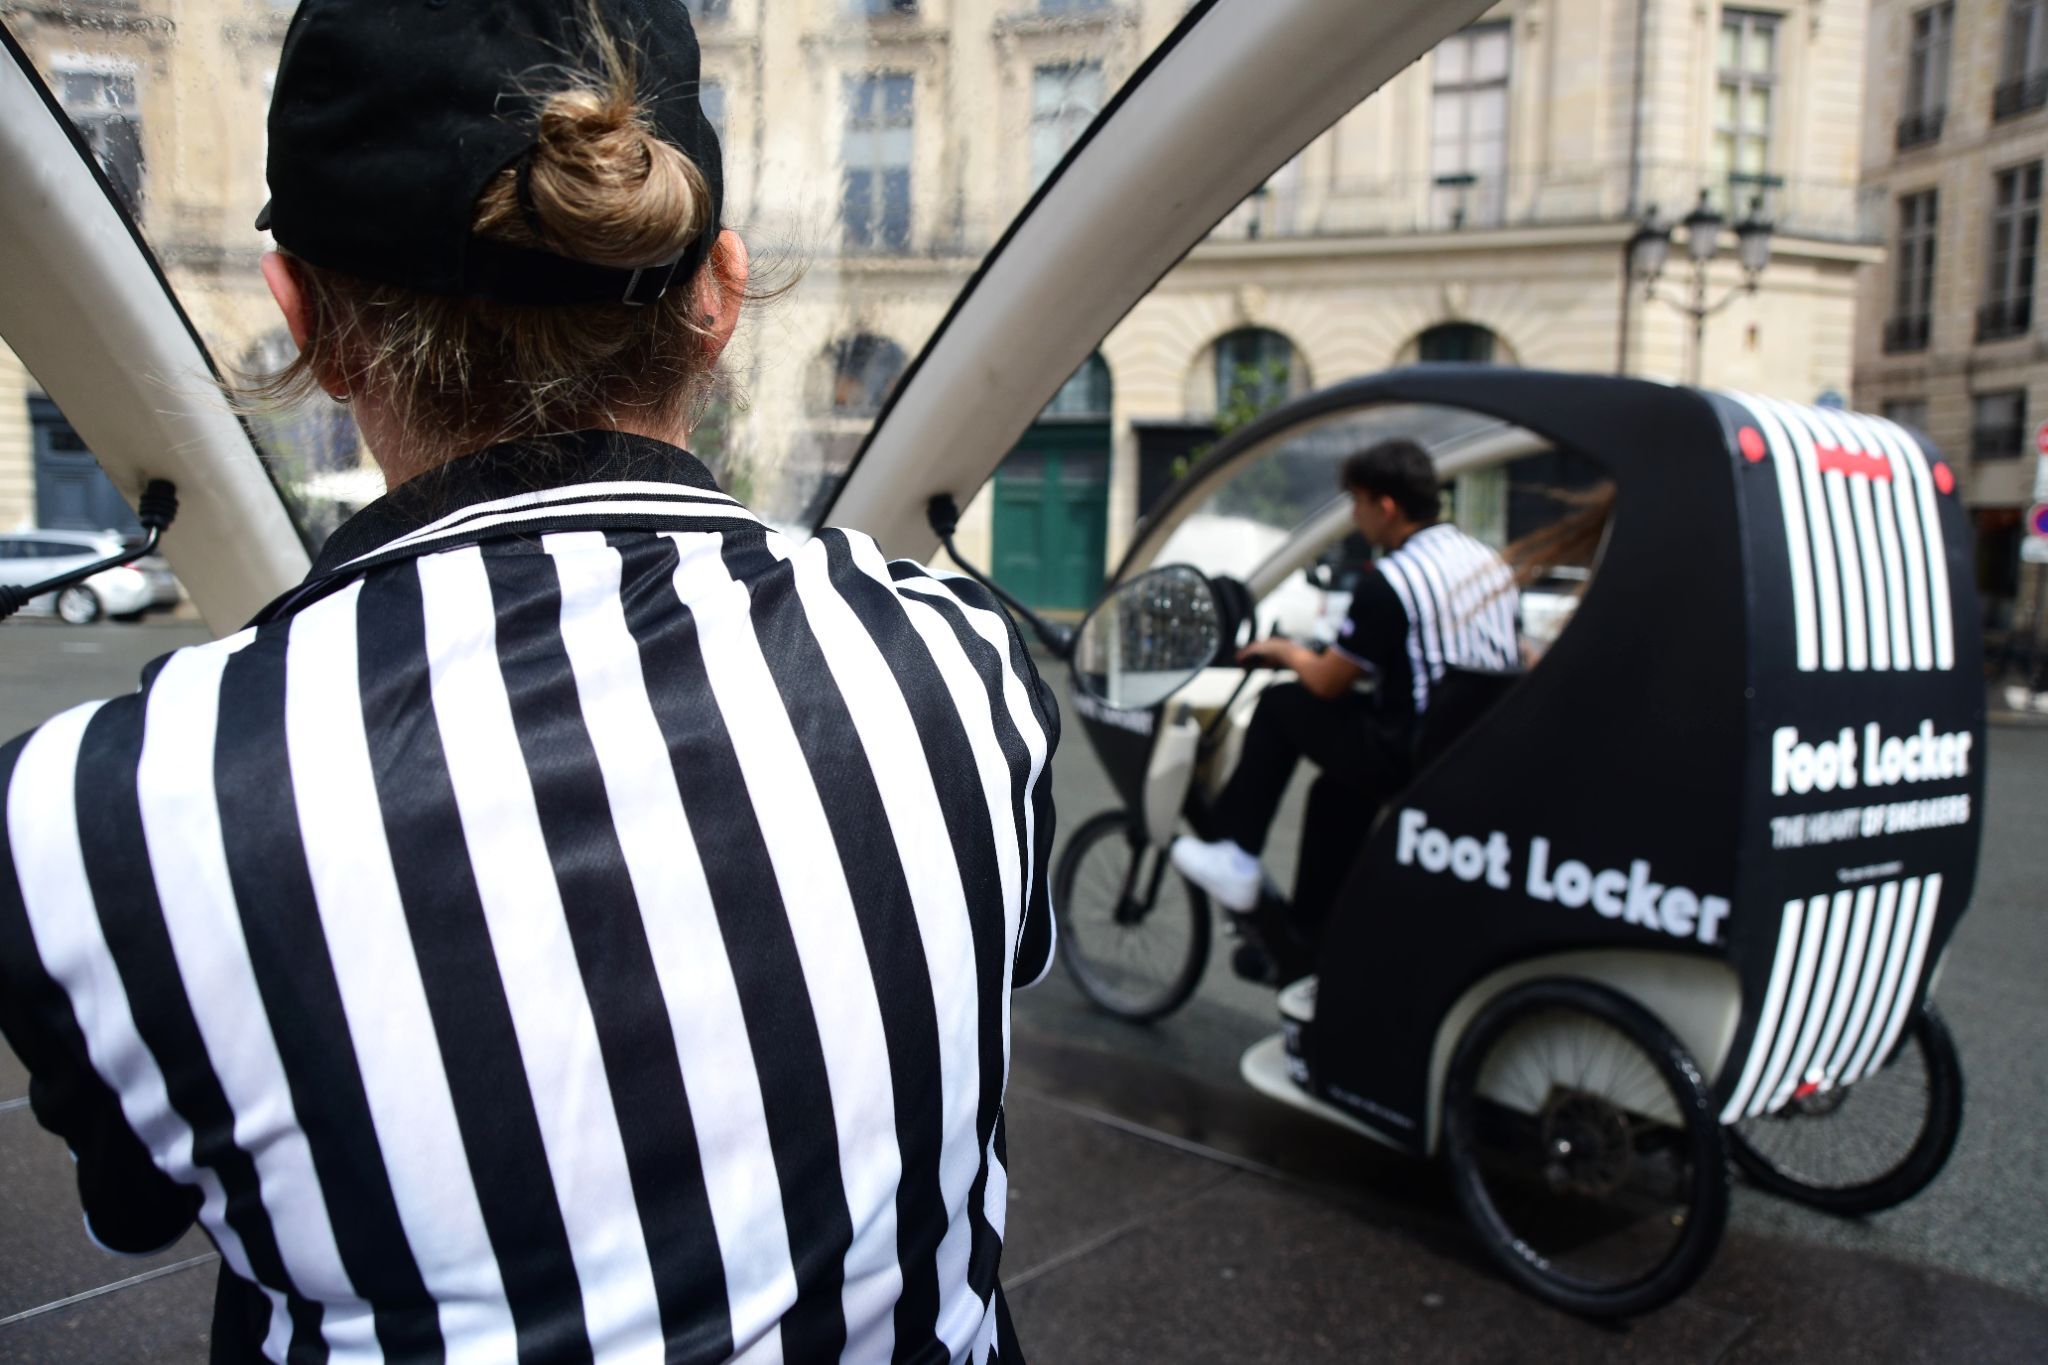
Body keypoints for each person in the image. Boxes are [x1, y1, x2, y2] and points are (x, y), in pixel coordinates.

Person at [0, 3, 1056, 1361]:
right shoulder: (962, 662)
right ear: (718, 295)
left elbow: (142, 1210)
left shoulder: (86, 819)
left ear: (310, 320)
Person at [1170, 439, 1516, 931]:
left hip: (1410, 749)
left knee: (1281, 703)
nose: (1355, 517)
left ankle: (1236, 854)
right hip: (1474, 745)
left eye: (1357, 502)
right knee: (1335, 793)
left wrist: (1288, 652)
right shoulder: (1486, 561)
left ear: (1386, 506)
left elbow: (1330, 682)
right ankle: (1312, 941)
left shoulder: (1392, 580)